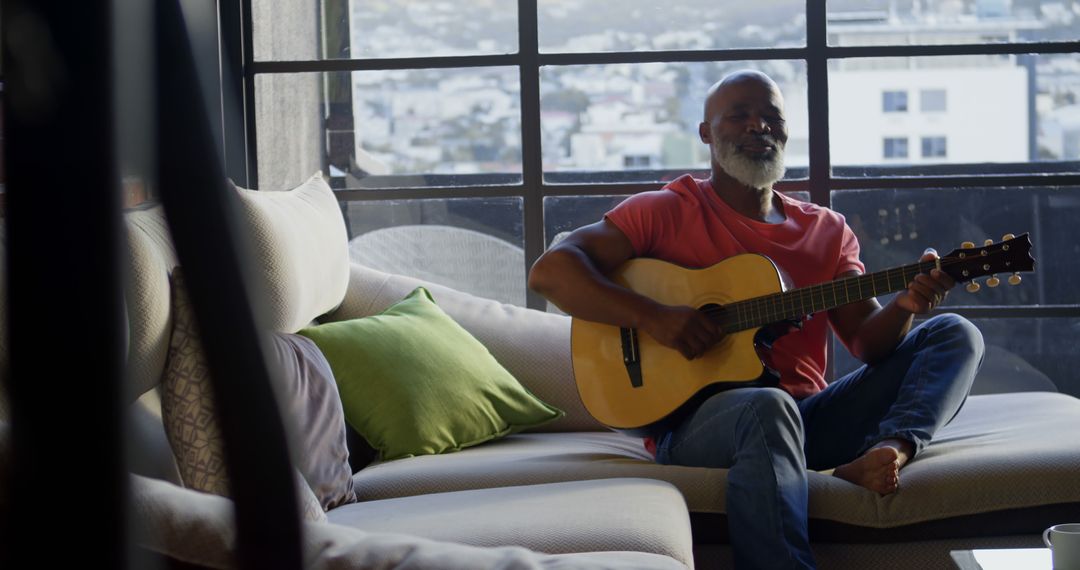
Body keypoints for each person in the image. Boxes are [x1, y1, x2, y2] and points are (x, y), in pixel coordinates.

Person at [527, 70, 985, 569]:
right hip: (699, 427)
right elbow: (552, 272)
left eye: (771, 117)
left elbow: (867, 345)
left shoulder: (825, 231)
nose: (758, 127)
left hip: (809, 419)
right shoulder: (663, 211)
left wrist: (905, 306)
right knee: (766, 406)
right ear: (706, 132)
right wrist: (655, 317)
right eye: (739, 116)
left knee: (954, 333)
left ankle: (890, 452)